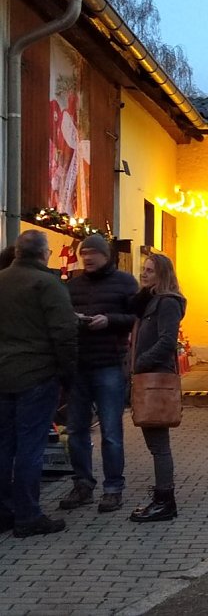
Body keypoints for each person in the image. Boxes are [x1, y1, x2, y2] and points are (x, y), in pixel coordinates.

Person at [0, 230, 77, 537]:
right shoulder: (47, 284)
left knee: (4, 447)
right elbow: (64, 332)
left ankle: (4, 512)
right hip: (37, 376)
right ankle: (28, 516)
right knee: (30, 448)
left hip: (3, 376)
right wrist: (68, 374)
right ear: (44, 254)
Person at [59, 234, 138, 514]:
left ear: (106, 255)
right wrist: (74, 321)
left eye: (93, 253)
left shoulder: (125, 283)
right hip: (79, 365)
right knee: (76, 430)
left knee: (111, 431)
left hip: (109, 364)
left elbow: (135, 317)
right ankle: (82, 484)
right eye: (84, 253)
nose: (88, 258)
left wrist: (109, 320)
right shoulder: (73, 285)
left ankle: (113, 489)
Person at [127, 254, 186, 522]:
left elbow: (167, 341)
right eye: (144, 269)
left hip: (156, 379)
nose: (144, 273)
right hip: (147, 376)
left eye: (150, 270)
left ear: (163, 274)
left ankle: (165, 500)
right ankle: (162, 498)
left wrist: (141, 362)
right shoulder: (148, 301)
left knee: (159, 445)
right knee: (156, 444)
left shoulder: (167, 302)